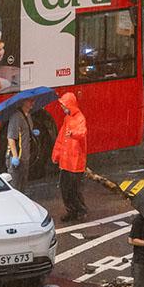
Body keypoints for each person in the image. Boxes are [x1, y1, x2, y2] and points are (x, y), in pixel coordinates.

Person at [51, 92, 87, 222]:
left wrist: (73, 133)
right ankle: (72, 210)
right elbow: (61, 138)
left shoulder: (79, 118)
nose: (63, 108)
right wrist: (57, 154)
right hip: (67, 161)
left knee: (73, 189)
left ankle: (79, 210)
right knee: (65, 188)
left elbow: (82, 133)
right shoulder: (68, 118)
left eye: (64, 105)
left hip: (75, 161)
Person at [6, 98, 35, 192]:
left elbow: (26, 132)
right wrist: (14, 156)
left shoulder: (28, 116)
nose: (32, 103)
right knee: (15, 186)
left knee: (23, 186)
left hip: (25, 157)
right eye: (30, 101)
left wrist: (32, 133)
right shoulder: (16, 117)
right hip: (17, 157)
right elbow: (11, 138)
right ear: (23, 102)